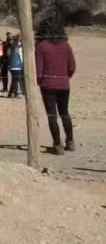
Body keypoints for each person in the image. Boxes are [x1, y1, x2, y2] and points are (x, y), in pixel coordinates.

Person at [35, 13, 76, 154]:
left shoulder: (41, 46)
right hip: (64, 84)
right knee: (65, 113)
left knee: (52, 115)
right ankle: (70, 142)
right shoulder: (66, 46)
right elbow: (72, 67)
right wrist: (65, 77)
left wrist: (40, 81)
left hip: (47, 84)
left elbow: (39, 70)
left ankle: (57, 145)